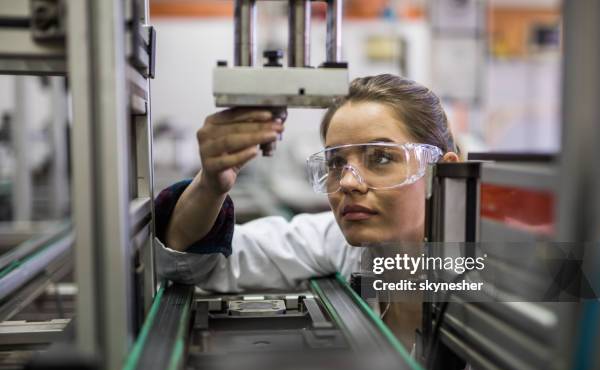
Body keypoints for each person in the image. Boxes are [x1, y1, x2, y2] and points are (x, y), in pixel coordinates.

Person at [154, 74, 459, 293]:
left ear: (442, 173)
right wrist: (210, 185)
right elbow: (195, 263)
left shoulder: (489, 273)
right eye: (337, 163)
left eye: (380, 158)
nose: (348, 182)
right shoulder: (336, 243)